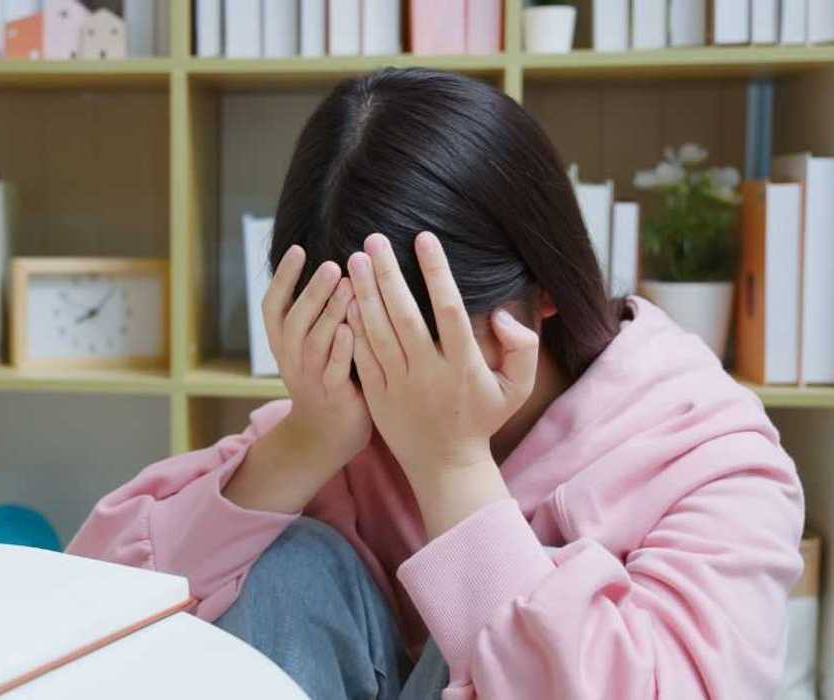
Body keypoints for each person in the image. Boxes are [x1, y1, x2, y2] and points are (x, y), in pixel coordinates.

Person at [66, 68, 804, 699]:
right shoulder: (344, 425)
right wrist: (303, 443)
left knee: (527, 601)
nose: (398, 376)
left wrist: (451, 469)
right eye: (362, 340)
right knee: (286, 565)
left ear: (544, 287)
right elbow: (82, 622)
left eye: (430, 333)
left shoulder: (707, 454)